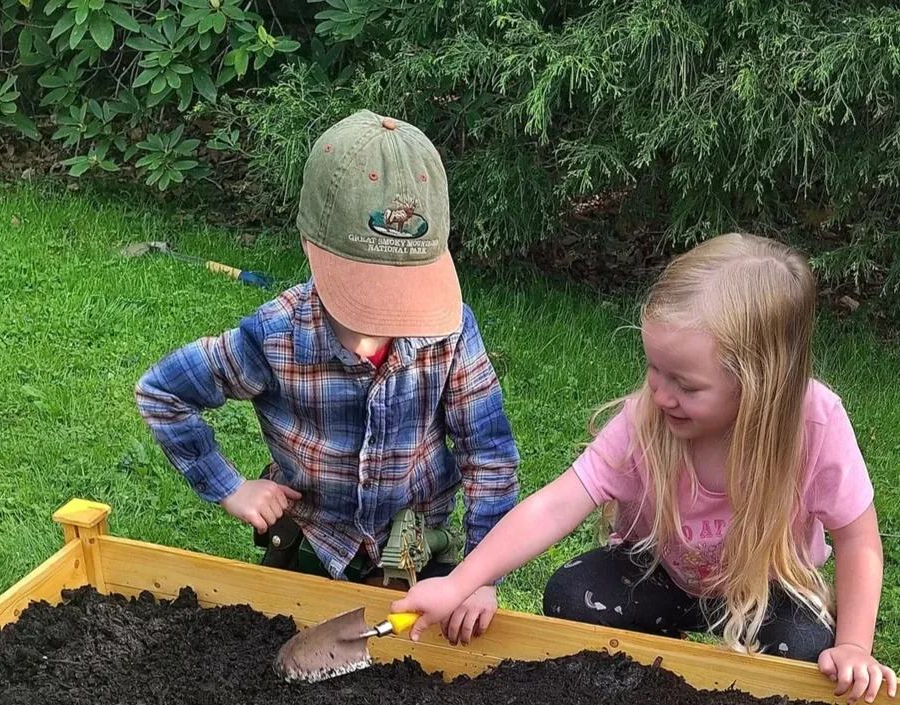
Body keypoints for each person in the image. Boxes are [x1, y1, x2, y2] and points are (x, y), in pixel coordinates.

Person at [392, 233, 897, 704]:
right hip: (662, 571)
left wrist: (854, 644)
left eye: (685, 383)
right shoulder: (648, 421)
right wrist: (459, 583)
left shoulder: (816, 424)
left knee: (809, 659)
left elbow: (859, 542)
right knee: (570, 595)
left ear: (760, 384)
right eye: (654, 368)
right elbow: (554, 506)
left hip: (767, 587)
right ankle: (659, 669)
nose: (660, 393)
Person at [135, 109, 520, 642]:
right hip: (316, 535)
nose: (380, 327)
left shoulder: (450, 330)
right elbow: (163, 391)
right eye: (363, 301)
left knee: (427, 649)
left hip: (414, 543)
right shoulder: (273, 337)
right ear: (311, 249)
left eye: (401, 301)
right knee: (274, 643)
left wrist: (481, 574)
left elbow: (489, 452)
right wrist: (230, 488)